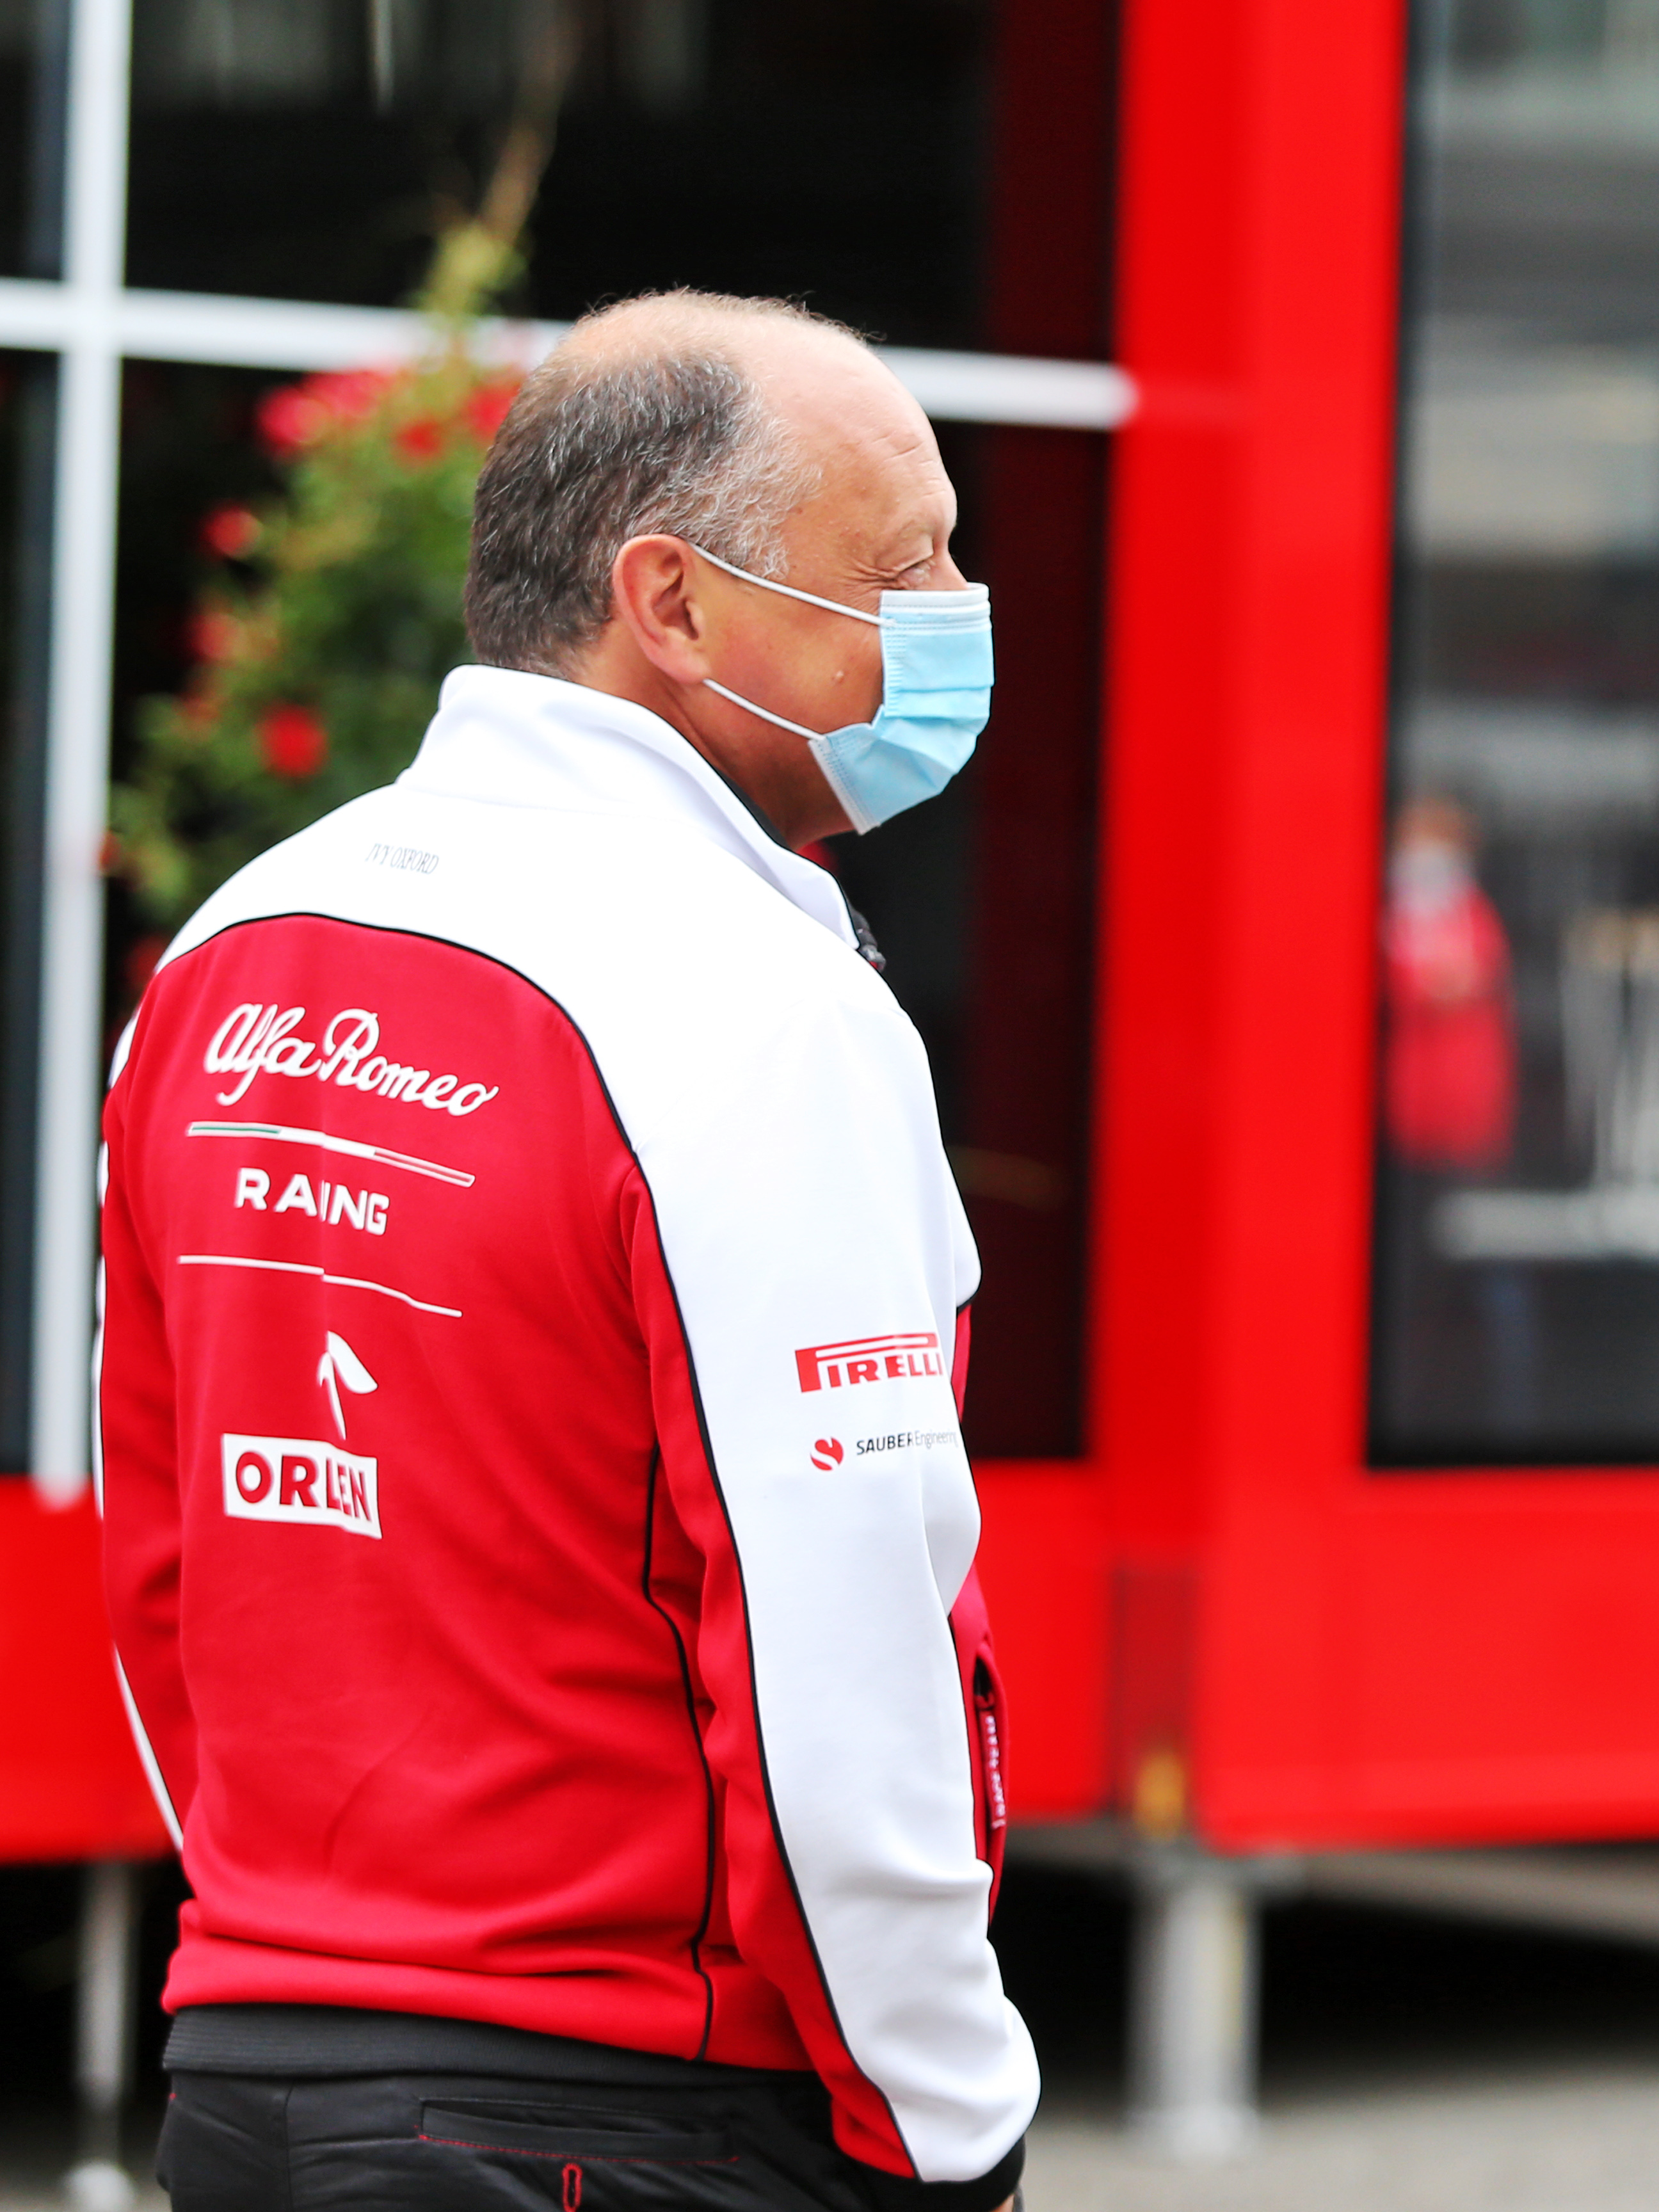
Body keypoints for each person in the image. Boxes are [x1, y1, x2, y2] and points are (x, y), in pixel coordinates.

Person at [98, 292, 1033, 2211]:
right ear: (671, 603)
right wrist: (954, 2127)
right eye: (903, 560)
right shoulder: (753, 1006)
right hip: (625, 2116)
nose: (955, 605)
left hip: (253, 2087)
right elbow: (831, 1649)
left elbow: (171, 1564)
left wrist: (305, 1957)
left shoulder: (232, 954)